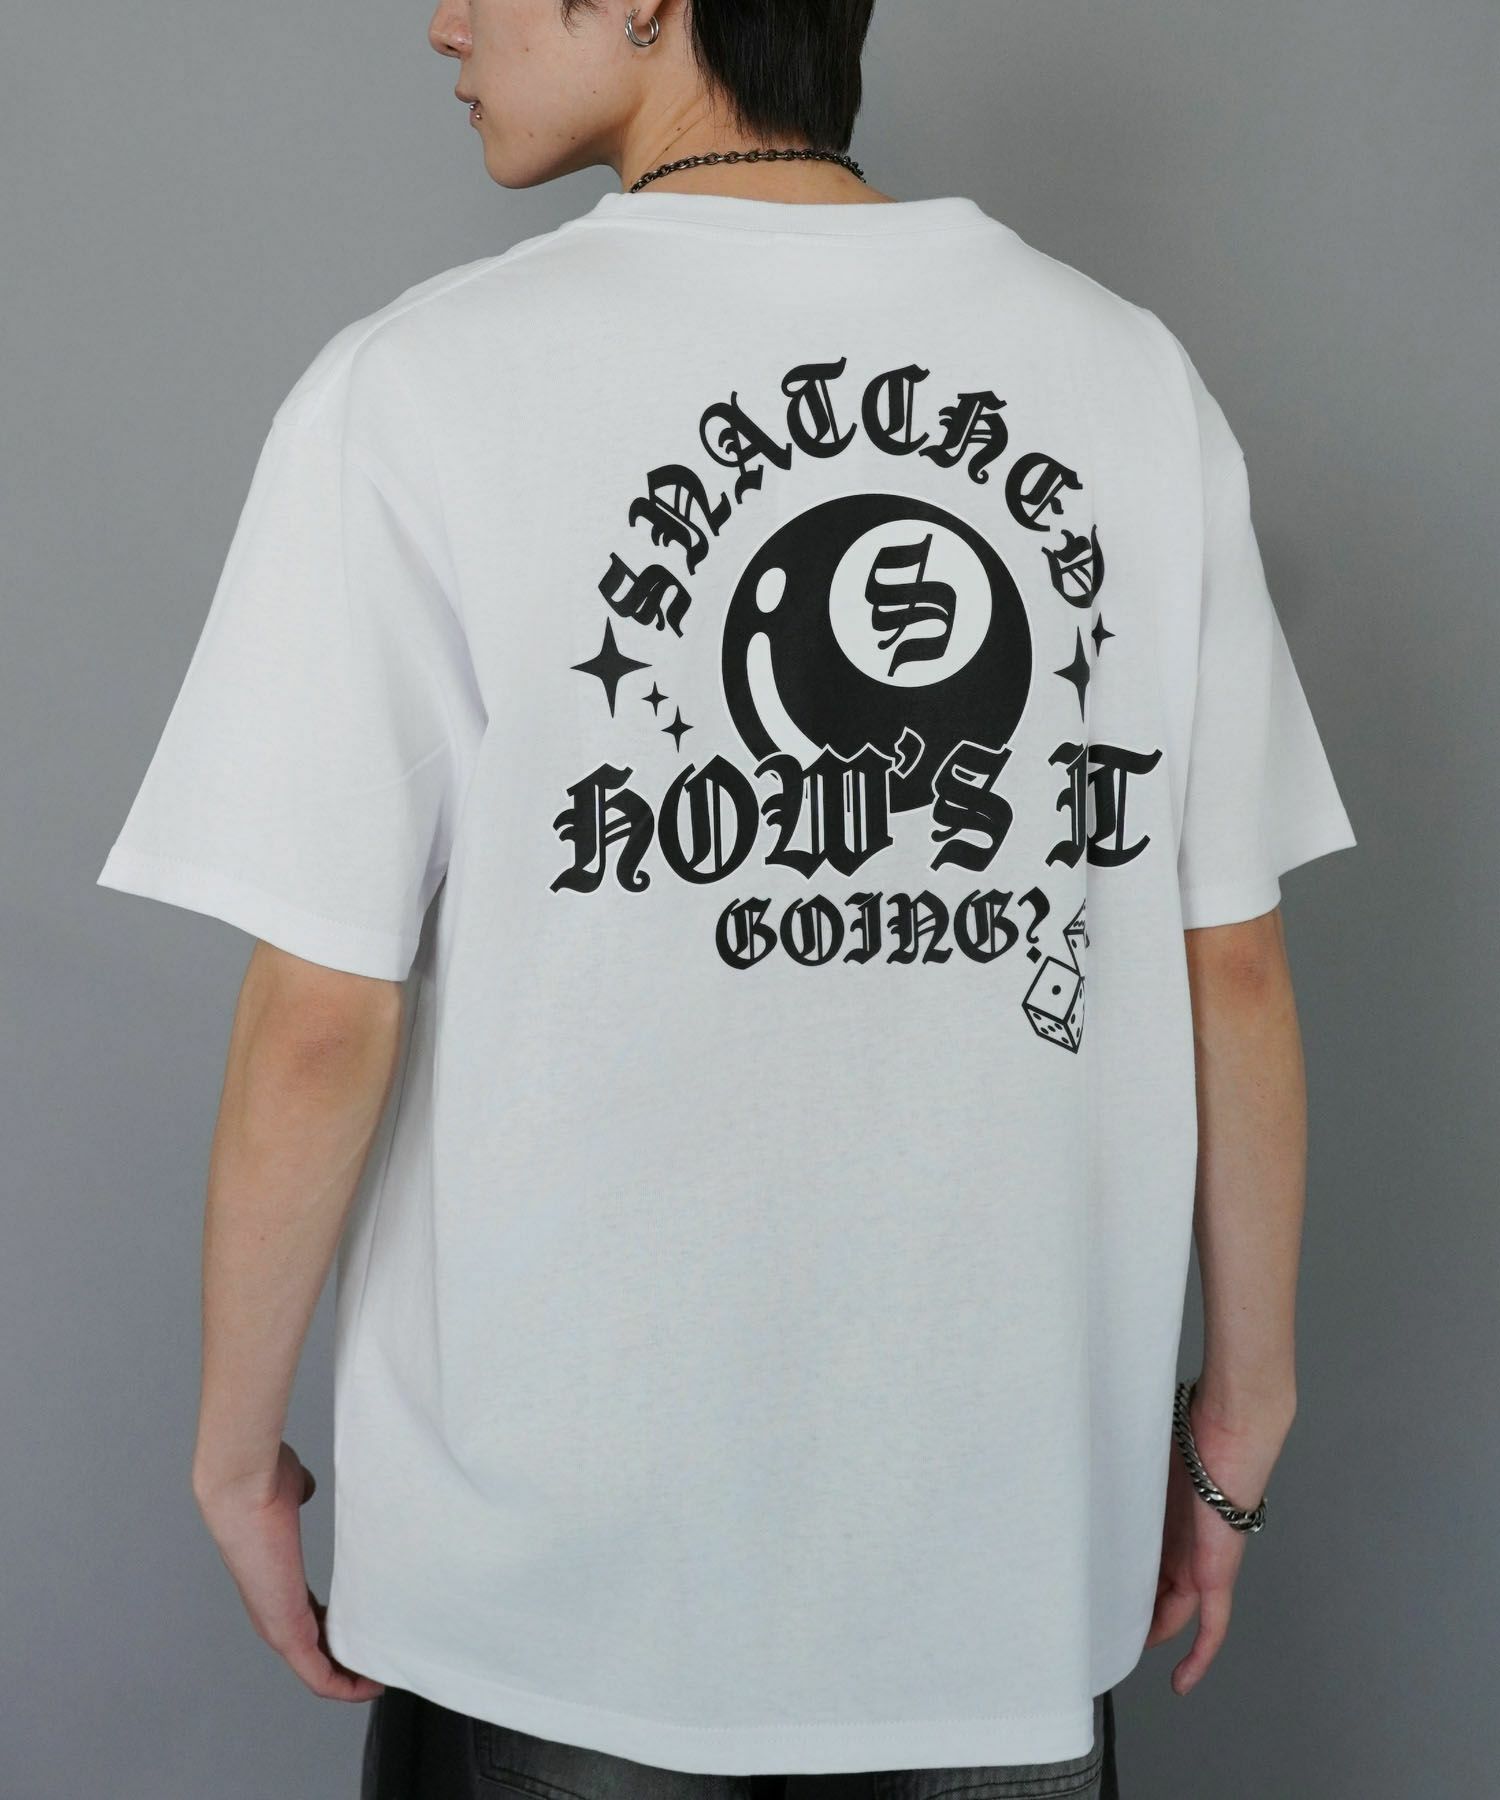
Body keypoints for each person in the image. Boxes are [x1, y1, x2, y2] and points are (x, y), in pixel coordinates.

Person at [95, 1, 1358, 1795]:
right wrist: (1239, 1422)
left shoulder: (417, 388)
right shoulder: (1130, 380)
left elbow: (323, 1016)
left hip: (548, 1606)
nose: (443, 21)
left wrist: (235, 1455)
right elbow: (1228, 966)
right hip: (995, 1588)